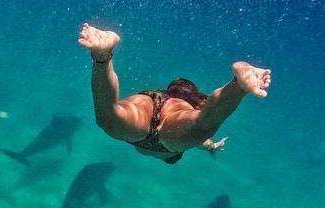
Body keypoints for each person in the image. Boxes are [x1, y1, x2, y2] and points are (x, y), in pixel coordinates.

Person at [77, 23, 272, 164]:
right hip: (167, 121)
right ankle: (238, 86)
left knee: (108, 116)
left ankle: (102, 56)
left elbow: (206, 138)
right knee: (201, 126)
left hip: (149, 102)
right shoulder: (179, 128)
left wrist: (212, 146)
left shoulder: (165, 100)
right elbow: (205, 139)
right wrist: (212, 147)